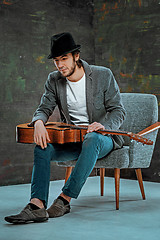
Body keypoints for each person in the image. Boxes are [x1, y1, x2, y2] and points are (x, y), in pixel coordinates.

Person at [5, 32, 126, 224]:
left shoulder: (103, 75)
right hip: (73, 139)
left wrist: (103, 125)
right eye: (56, 60)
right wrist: (37, 122)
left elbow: (118, 111)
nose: (60, 65)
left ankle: (64, 200)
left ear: (76, 56)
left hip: (102, 139)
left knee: (92, 139)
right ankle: (36, 205)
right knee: (42, 148)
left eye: (64, 59)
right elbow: (44, 108)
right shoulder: (54, 80)